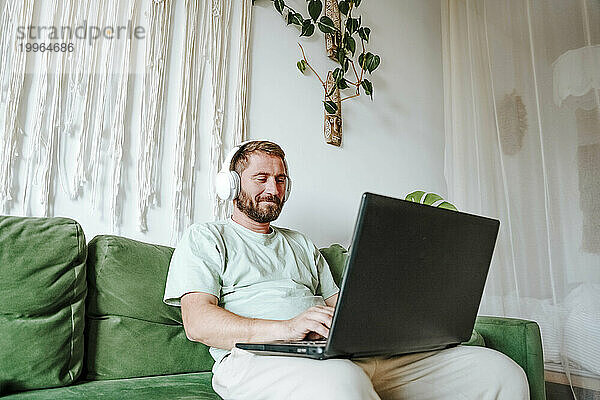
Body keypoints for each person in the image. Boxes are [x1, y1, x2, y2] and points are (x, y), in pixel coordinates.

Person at [163, 140, 529, 400]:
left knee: (498, 373)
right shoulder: (206, 236)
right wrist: (288, 329)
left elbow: (343, 304)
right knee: (341, 383)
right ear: (230, 184)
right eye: (261, 178)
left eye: (280, 179)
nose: (273, 188)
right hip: (257, 360)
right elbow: (199, 324)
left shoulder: (300, 243)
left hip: (341, 353)